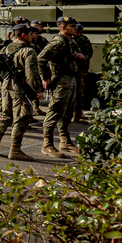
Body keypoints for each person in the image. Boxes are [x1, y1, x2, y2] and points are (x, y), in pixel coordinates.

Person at [0, 23, 44, 161]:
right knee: (22, 118)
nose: (32, 37)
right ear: (24, 35)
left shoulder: (6, 49)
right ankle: (15, 150)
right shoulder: (29, 51)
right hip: (21, 89)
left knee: (4, 115)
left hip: (6, 87)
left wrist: (4, 81)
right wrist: (37, 91)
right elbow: (31, 74)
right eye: (31, 34)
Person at [38, 15, 86, 158]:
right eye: (72, 26)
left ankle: (65, 142)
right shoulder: (58, 42)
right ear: (63, 28)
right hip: (60, 81)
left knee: (67, 113)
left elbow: (81, 54)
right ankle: (47, 145)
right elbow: (41, 58)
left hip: (71, 79)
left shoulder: (71, 41)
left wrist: (81, 57)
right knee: (55, 112)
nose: (75, 28)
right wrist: (45, 78)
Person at [72, 22, 94, 123]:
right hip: (70, 70)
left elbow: (89, 53)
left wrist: (84, 57)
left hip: (80, 70)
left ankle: (78, 114)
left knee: (79, 93)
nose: (78, 33)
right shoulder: (67, 40)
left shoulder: (84, 39)